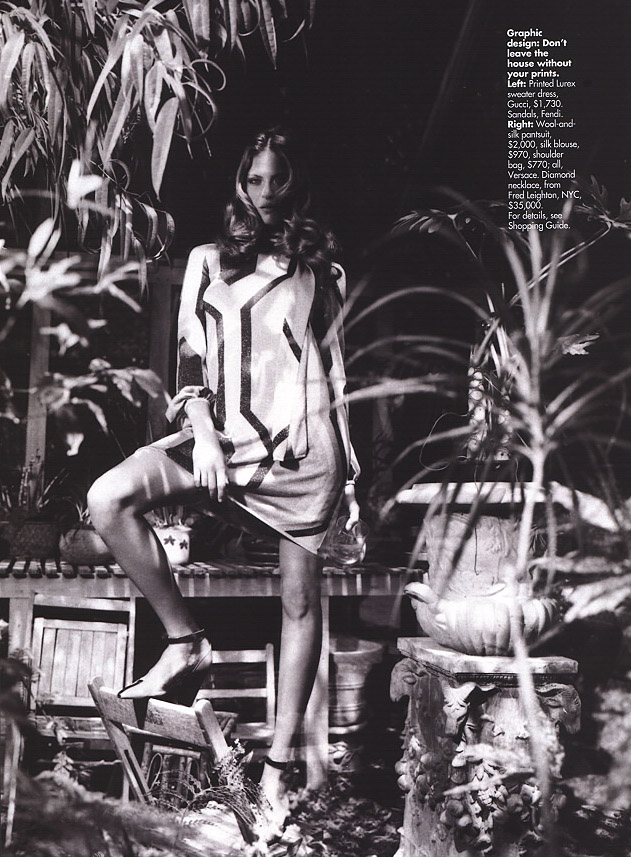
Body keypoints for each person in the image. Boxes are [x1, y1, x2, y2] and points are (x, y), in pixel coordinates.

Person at [87, 127, 360, 831]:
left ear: (294, 185)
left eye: (277, 179)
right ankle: (186, 641)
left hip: (301, 452)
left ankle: (276, 772)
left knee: (300, 604)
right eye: (254, 179)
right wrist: (203, 431)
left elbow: (334, 375)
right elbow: (190, 356)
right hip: (222, 437)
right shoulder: (207, 261)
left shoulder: (321, 271)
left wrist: (350, 478)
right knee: (108, 498)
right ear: (240, 185)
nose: (265, 192)